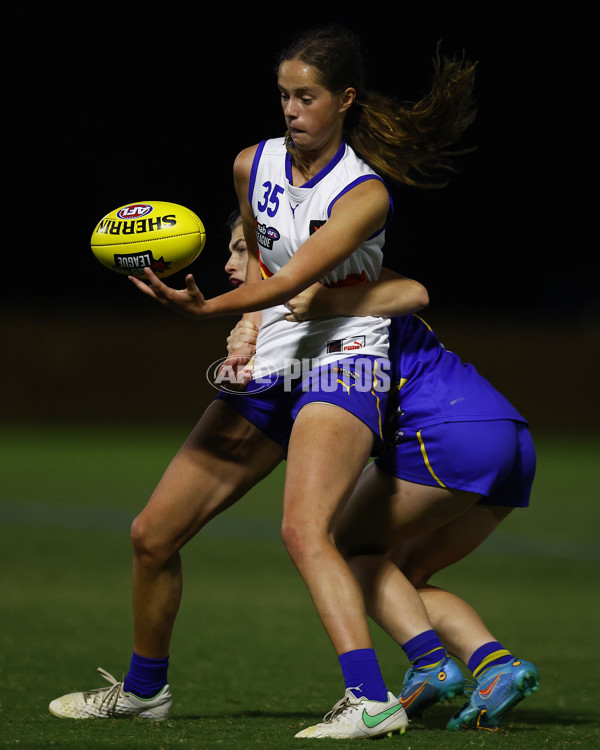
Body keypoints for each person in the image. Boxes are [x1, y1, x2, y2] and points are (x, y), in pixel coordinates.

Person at [49, 24, 477, 739]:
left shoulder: (362, 194)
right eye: (283, 95)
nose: (291, 109)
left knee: (305, 530)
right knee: (153, 534)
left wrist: (208, 307)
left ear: (343, 100)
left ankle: (369, 701)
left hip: (345, 360)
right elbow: (259, 259)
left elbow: (303, 274)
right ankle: (144, 691)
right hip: (277, 359)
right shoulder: (253, 164)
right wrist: (245, 327)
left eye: (305, 97)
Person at [223, 219, 540, 733]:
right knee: (402, 576)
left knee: (342, 548)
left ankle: (431, 666)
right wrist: (252, 329)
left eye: (242, 250)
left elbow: (409, 297)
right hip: (505, 433)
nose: (230, 265)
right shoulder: (339, 290)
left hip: (446, 430)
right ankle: (495, 667)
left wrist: (249, 340)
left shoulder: (319, 296)